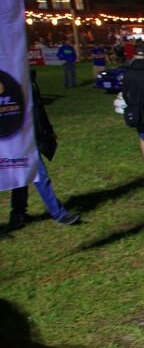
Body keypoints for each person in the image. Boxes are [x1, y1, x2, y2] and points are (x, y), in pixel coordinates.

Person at [6, 71, 81, 233]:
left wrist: (48, 130)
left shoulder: (28, 81)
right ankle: (59, 213)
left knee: (22, 178)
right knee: (40, 176)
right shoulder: (12, 83)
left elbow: (39, 111)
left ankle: (17, 215)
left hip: (30, 136)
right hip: (22, 139)